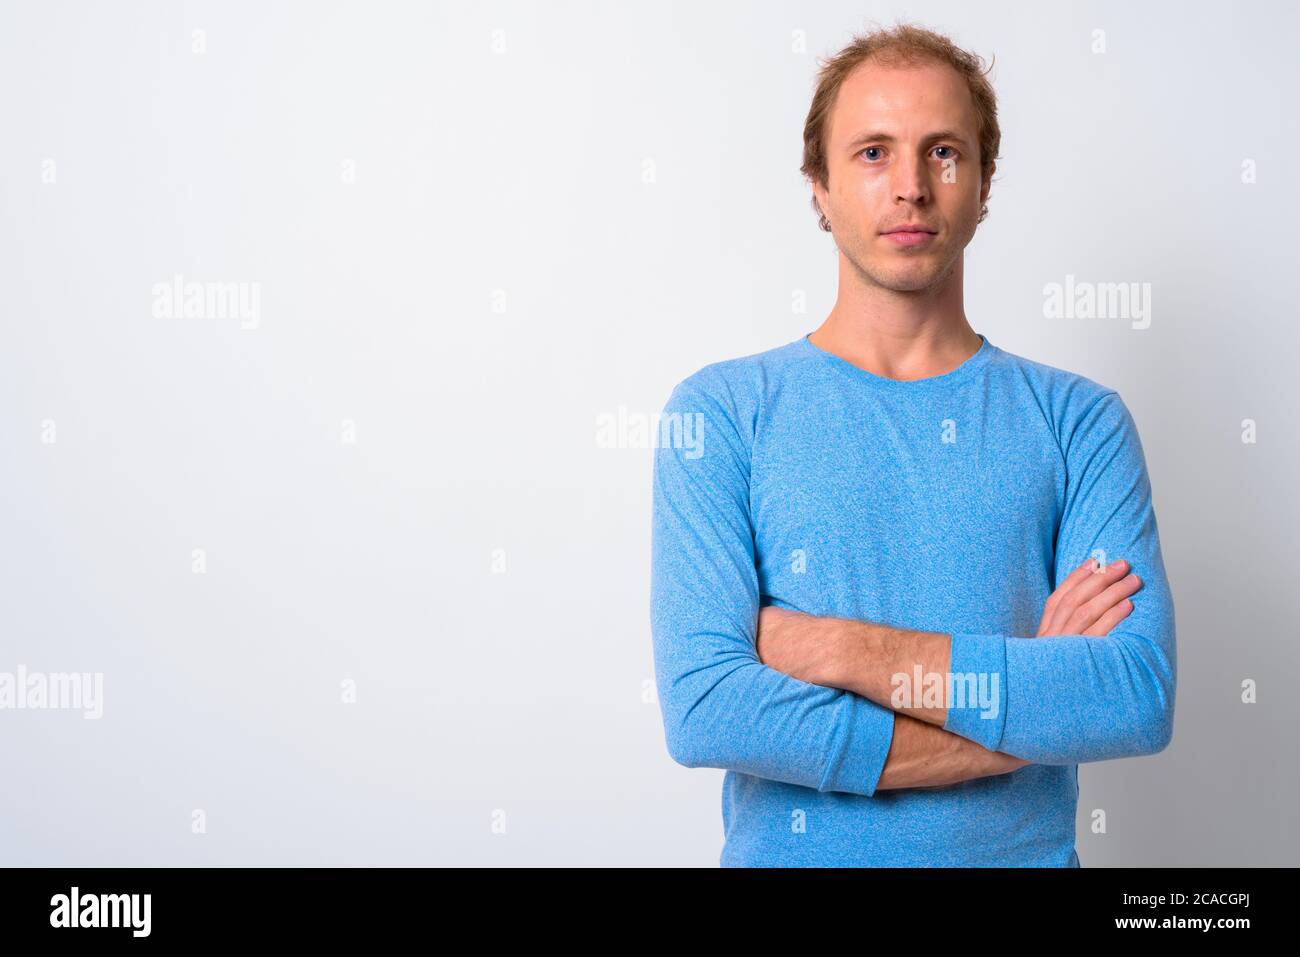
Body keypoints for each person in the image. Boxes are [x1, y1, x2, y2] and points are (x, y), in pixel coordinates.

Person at [648, 23, 1176, 867]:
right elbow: (709, 706)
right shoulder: (719, 415)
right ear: (817, 185)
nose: (910, 187)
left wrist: (837, 648)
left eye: (941, 152)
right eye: (871, 153)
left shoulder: (1081, 422)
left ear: (984, 182)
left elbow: (1131, 696)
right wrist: (1025, 705)